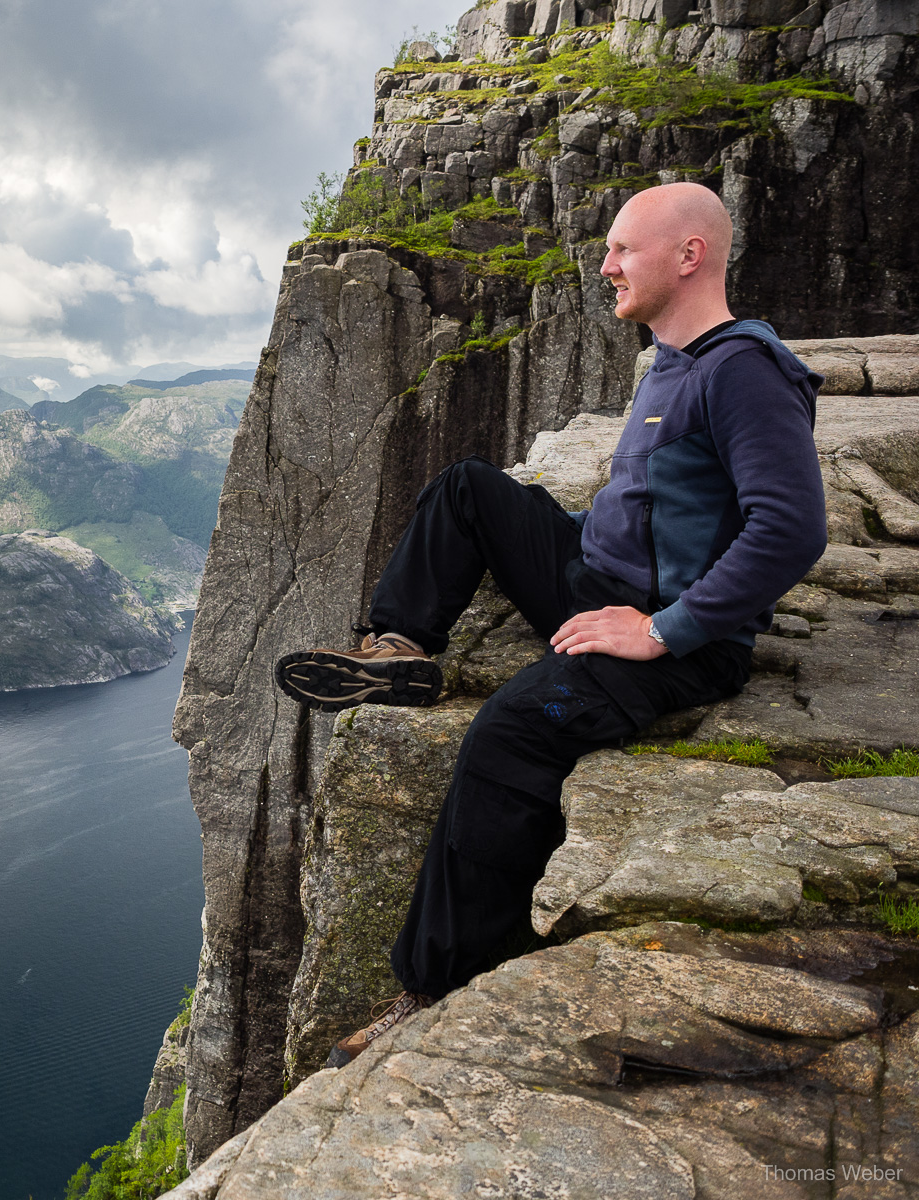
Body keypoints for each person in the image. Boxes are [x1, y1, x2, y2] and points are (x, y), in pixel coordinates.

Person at [274, 181, 830, 1067]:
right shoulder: (672, 359)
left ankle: (438, 983)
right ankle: (398, 647)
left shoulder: (743, 371)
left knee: (510, 734)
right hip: (594, 575)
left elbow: (793, 528)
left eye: (622, 249)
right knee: (470, 488)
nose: (604, 264)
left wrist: (662, 632)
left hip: (675, 635)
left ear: (690, 255)